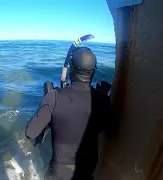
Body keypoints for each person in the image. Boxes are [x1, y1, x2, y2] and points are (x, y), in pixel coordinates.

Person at [25, 47, 112, 180]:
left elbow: (30, 132)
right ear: (93, 72)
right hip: (87, 169)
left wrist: (47, 101)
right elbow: (108, 130)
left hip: (60, 172)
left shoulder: (54, 97)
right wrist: (102, 96)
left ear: (71, 69)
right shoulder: (103, 100)